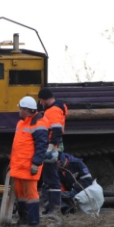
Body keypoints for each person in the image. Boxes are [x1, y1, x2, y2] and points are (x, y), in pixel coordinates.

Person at [9, 95, 48, 226]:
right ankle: (23, 220)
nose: (19, 111)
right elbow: (18, 146)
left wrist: (36, 163)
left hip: (29, 167)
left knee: (31, 195)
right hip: (19, 166)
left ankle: (33, 222)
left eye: (20, 109)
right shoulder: (21, 123)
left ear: (26, 110)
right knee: (20, 194)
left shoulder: (39, 123)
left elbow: (41, 146)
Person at [37, 86, 68, 216]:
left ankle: (54, 208)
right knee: (48, 177)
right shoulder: (53, 109)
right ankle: (50, 206)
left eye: (40, 100)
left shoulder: (53, 110)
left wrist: (50, 146)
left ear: (44, 99)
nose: (39, 103)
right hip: (51, 146)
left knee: (51, 177)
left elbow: (56, 130)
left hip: (51, 147)